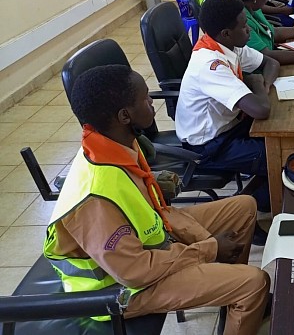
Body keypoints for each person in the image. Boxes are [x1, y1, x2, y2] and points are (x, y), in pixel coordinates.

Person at [44, 64, 270, 334]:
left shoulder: (117, 144)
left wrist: (205, 243)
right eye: (145, 98)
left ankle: (228, 293)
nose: (152, 102)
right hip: (119, 289)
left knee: (243, 206)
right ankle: (241, 292)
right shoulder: (96, 199)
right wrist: (208, 249)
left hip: (149, 243)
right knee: (254, 282)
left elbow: (151, 209)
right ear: (125, 115)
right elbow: (135, 271)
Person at [175, 0, 280, 210]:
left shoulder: (229, 44)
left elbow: (271, 62)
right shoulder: (210, 64)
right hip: (208, 145)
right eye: (244, 26)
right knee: (278, 155)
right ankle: (248, 209)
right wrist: (257, 84)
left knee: (278, 139)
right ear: (226, 33)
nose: (249, 30)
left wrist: (263, 84)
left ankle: (253, 197)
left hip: (229, 126)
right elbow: (261, 110)